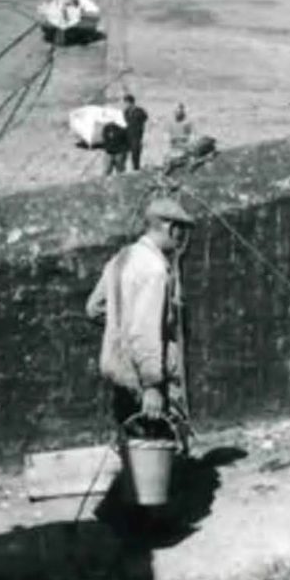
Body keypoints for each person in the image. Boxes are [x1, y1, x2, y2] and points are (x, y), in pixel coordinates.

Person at [86, 195, 196, 456]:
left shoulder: (120, 258)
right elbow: (145, 332)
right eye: (182, 231)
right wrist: (152, 386)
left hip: (116, 368)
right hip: (146, 375)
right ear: (170, 228)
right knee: (158, 451)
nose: (183, 240)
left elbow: (94, 308)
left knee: (132, 448)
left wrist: (119, 328)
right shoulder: (155, 270)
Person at [121, 92, 150, 172]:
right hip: (127, 135)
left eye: (126, 103)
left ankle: (136, 169)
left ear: (130, 102)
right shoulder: (125, 112)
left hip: (136, 136)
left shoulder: (139, 111)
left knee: (135, 154)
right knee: (124, 154)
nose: (125, 105)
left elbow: (145, 118)